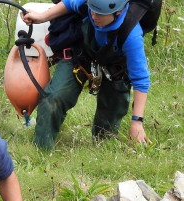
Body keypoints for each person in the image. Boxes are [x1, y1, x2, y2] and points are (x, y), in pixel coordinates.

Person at [22, 0, 151, 150]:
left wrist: (137, 122)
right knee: (54, 97)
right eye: (92, 11)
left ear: (118, 12)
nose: (94, 16)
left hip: (115, 69)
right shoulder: (89, 3)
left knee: (107, 126)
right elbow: (70, 3)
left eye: (100, 14)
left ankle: (102, 147)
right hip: (80, 56)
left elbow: (141, 80)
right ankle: (41, 148)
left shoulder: (131, 34)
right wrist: (42, 17)